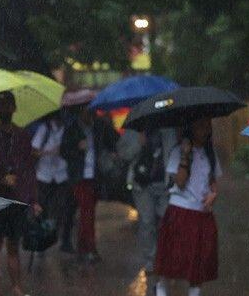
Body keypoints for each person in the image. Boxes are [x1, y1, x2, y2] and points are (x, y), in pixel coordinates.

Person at [153, 118, 220, 296]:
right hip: (181, 210)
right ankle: (161, 286)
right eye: (201, 125)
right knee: (175, 255)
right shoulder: (177, 151)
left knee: (200, 257)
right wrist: (185, 155)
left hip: (202, 213)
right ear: (191, 128)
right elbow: (180, 183)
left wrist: (213, 195)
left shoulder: (210, 154)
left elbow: (214, 183)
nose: (205, 129)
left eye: (208, 125)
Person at [0, 90, 40, 296]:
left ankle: (17, 289)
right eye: (2, 105)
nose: (5, 109)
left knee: (14, 245)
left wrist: (33, 199)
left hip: (16, 198)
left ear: (14, 108)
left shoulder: (22, 135)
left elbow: (28, 169)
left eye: (9, 104)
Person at [60, 104, 119, 262]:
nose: (89, 114)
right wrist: (77, 148)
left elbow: (113, 139)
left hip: (95, 176)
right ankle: (89, 248)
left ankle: (83, 248)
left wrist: (112, 152)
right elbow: (64, 151)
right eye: (86, 110)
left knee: (88, 212)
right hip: (79, 177)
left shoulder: (99, 126)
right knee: (87, 212)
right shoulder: (72, 128)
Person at [118, 127, 177, 272]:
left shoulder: (169, 129)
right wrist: (139, 144)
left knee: (167, 221)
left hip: (165, 184)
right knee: (146, 221)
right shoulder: (134, 129)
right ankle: (151, 258)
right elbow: (123, 153)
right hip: (142, 184)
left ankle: (166, 256)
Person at [32, 113, 74, 253]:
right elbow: (35, 151)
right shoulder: (44, 129)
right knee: (42, 208)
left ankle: (64, 240)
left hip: (61, 174)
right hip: (44, 175)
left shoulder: (68, 129)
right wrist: (49, 152)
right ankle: (41, 239)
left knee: (64, 208)